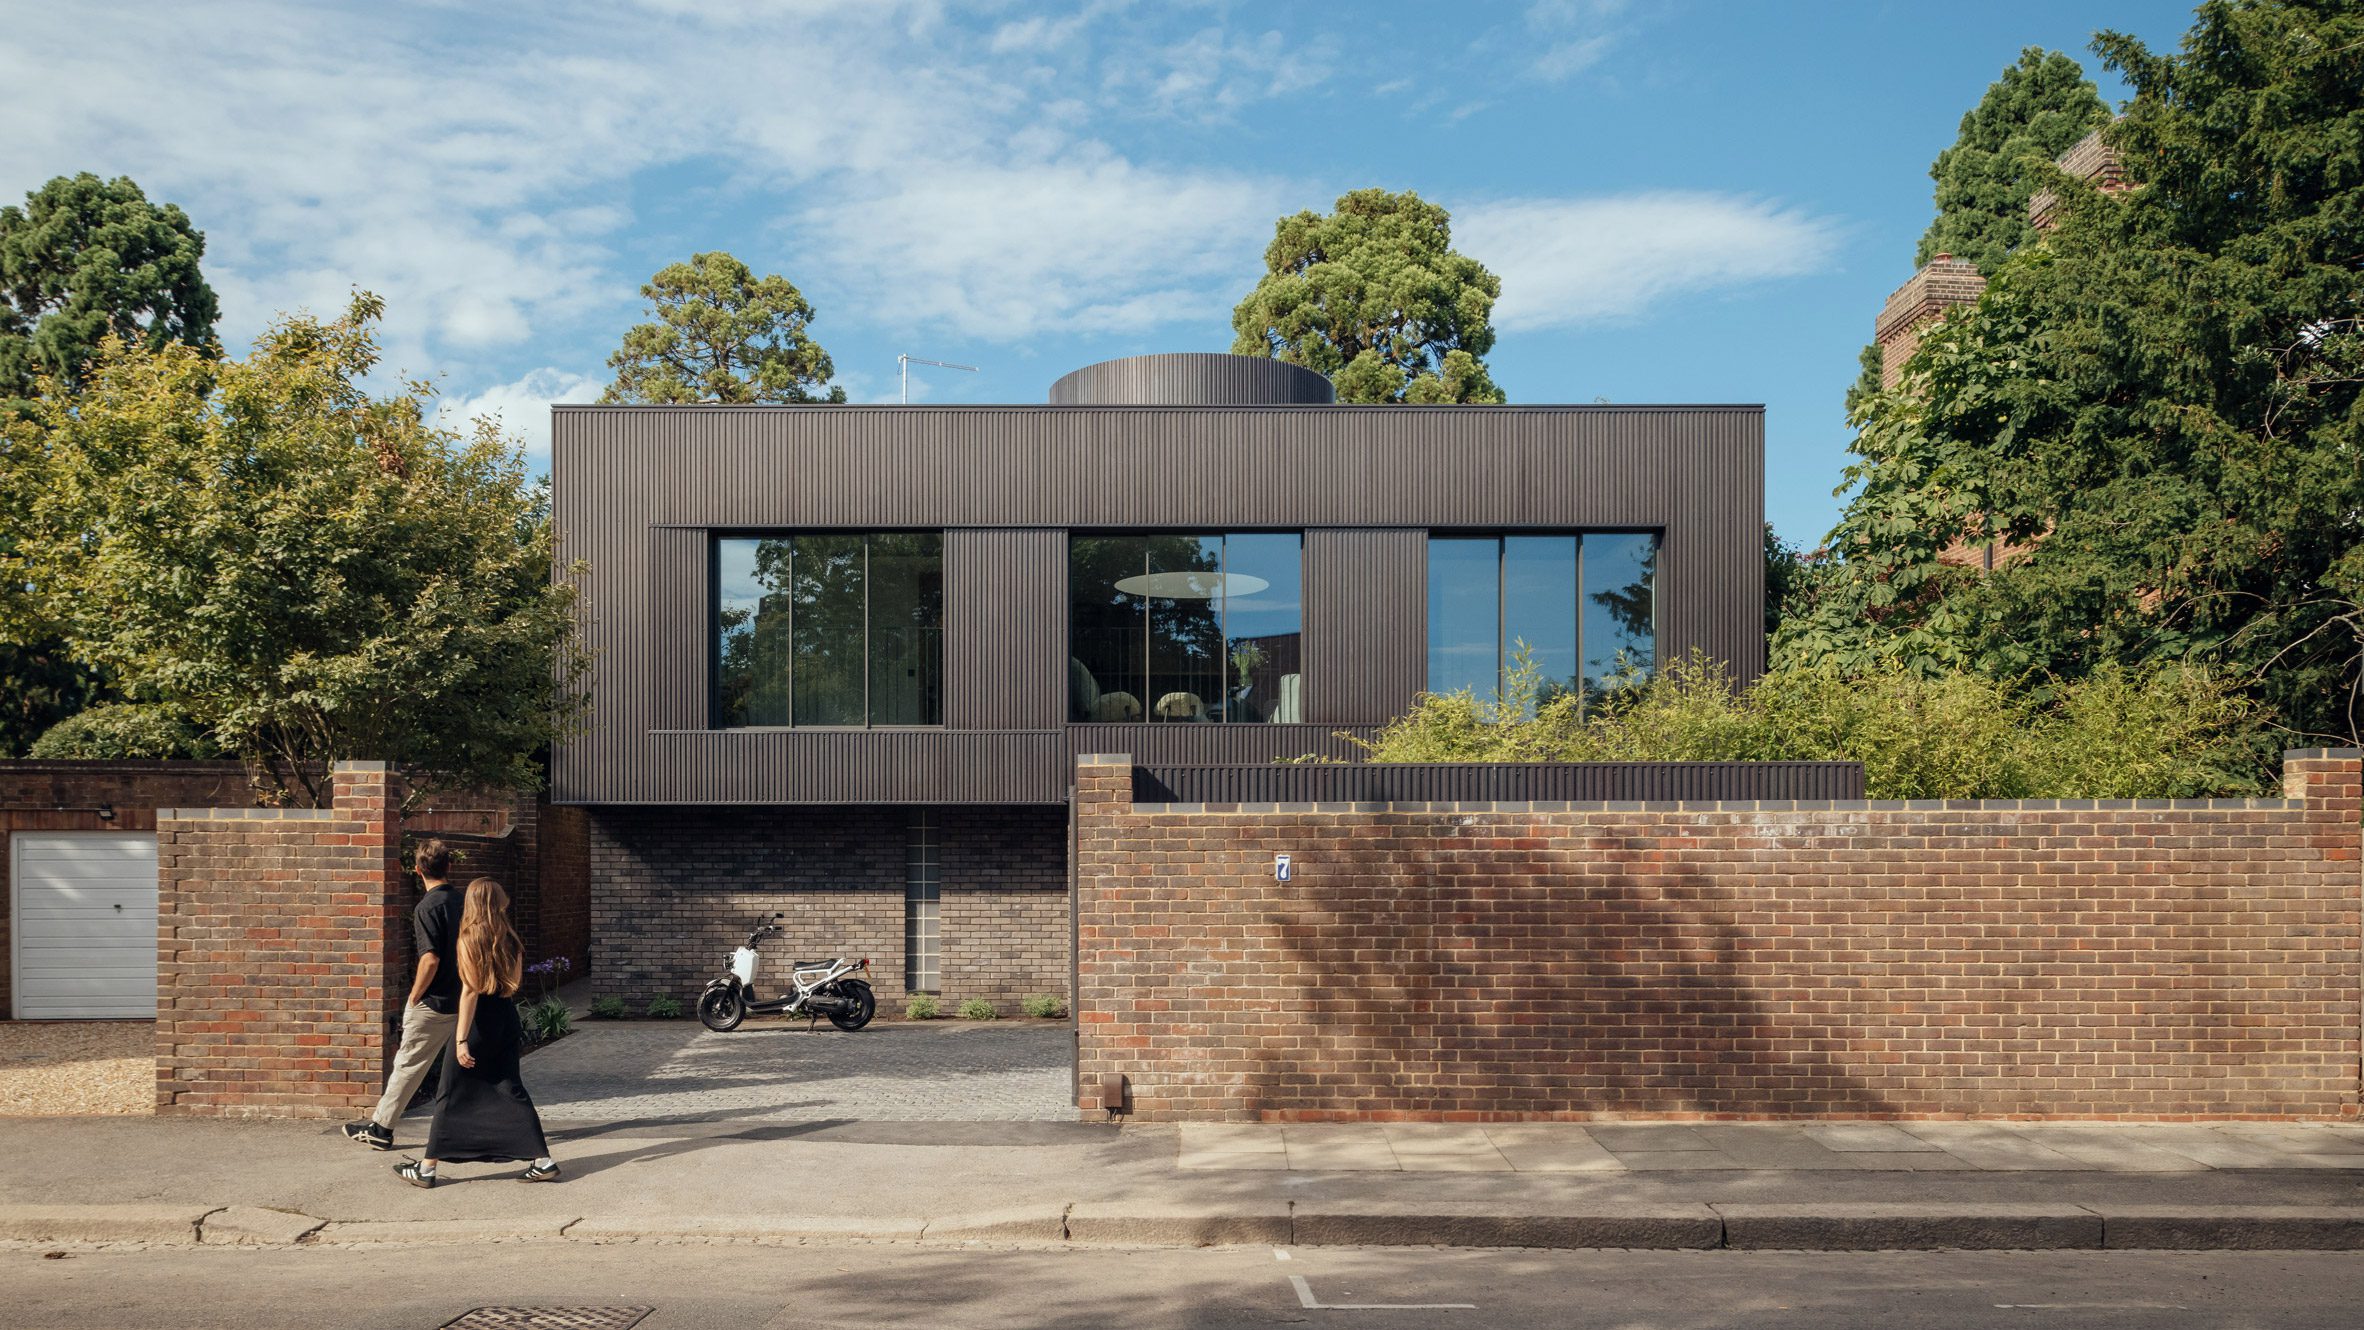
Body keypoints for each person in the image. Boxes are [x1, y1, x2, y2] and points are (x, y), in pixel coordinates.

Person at [394, 877, 558, 1186]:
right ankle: (543, 1160)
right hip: (506, 1017)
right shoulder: (511, 938)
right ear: (497, 902)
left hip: (479, 1022)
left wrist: (461, 1039)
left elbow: (469, 992)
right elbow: (514, 983)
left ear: (473, 902)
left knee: (450, 1090)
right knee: (510, 1087)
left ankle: (426, 1169)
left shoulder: (468, 939)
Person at [343, 839, 464, 1150]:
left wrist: (414, 995)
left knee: (408, 1065)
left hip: (435, 1003)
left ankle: (381, 1129)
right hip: (466, 999)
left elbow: (430, 959)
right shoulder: (465, 901)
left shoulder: (427, 906)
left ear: (417, 870)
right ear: (449, 866)